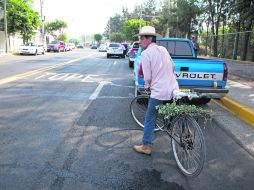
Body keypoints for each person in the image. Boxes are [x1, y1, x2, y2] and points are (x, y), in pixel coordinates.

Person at [133, 26, 179, 155]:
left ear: (149, 38)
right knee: (174, 112)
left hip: (159, 91)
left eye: (141, 38)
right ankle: (185, 129)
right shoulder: (163, 49)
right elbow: (173, 66)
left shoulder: (146, 53)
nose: (140, 40)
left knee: (150, 117)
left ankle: (146, 146)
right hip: (173, 88)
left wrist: (147, 86)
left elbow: (147, 77)